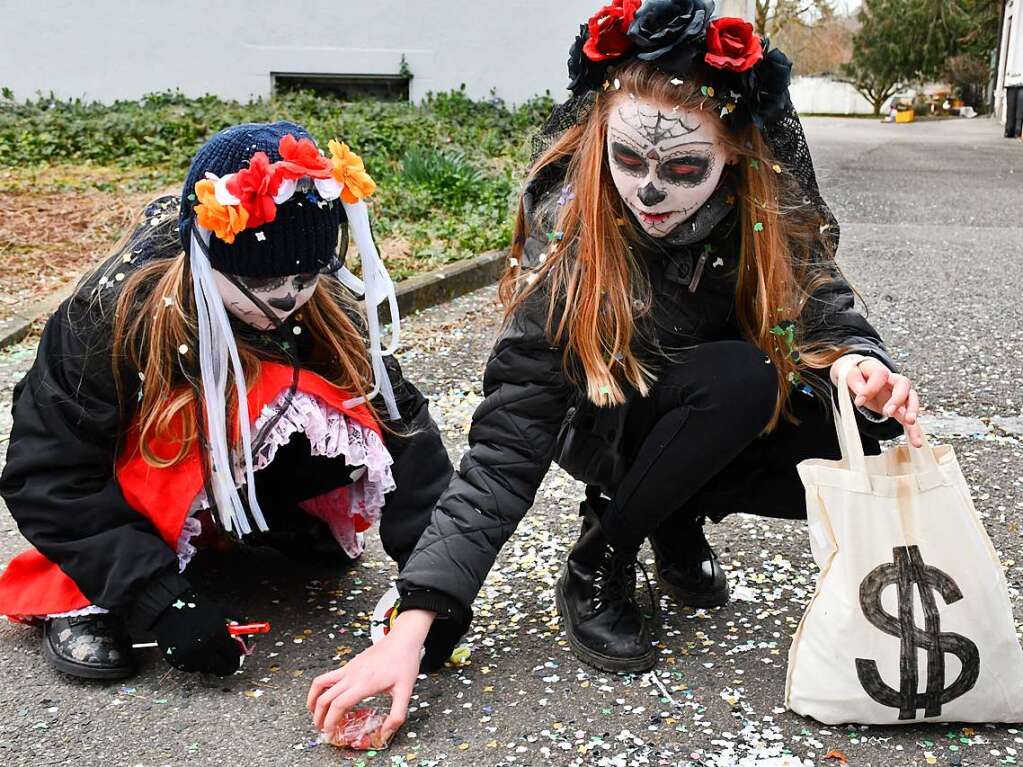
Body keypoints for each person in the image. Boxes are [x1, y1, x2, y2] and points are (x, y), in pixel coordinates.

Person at [307, 0, 922, 740]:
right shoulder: (570, 240)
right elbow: (504, 450)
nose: (649, 190)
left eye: (682, 165)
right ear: (599, 138)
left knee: (858, 416)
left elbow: (823, 301)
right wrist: (411, 625)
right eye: (627, 159)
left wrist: (862, 363)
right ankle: (602, 550)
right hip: (608, 421)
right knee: (739, 377)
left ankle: (671, 510)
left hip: (705, 413)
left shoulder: (765, 214)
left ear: (733, 158)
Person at [0, 121, 452, 680]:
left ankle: (263, 519)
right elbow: (48, 474)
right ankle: (91, 595)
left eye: (306, 276)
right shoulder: (110, 312)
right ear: (208, 258)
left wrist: (431, 593)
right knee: (193, 413)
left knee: (337, 397)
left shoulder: (319, 300)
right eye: (263, 284)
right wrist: (158, 598)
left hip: (227, 475)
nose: (288, 298)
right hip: (131, 489)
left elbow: (404, 432)